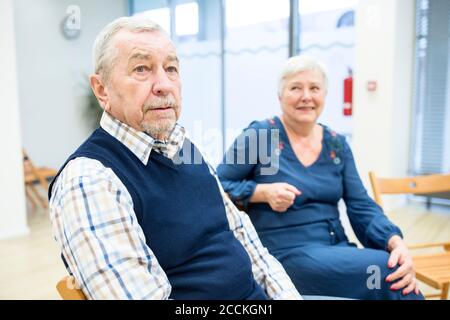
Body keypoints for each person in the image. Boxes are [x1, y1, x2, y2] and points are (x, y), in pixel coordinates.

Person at [48, 16, 302, 300]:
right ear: (102, 89)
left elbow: (249, 245)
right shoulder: (89, 180)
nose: (164, 85)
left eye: (171, 68)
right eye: (141, 68)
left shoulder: (185, 149)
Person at [216, 55, 424, 300]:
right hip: (284, 254)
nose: (306, 96)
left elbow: (360, 205)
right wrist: (262, 193)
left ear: (324, 95)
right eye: (296, 88)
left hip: (336, 249)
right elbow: (217, 186)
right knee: (386, 271)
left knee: (390, 266)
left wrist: (394, 240)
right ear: (280, 96)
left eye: (314, 88)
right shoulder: (261, 136)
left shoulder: (336, 144)